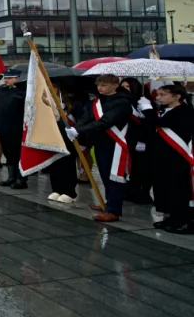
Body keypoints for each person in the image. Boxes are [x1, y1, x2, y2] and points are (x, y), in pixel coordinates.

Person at [65, 74, 133, 222]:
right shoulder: (96, 101)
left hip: (116, 143)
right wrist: (76, 129)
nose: (100, 88)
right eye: (99, 85)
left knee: (115, 176)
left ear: (115, 85)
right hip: (101, 142)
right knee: (104, 175)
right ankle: (108, 204)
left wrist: (80, 131)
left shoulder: (122, 102)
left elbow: (106, 121)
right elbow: (86, 117)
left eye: (104, 85)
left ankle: (114, 210)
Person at [149, 83, 194, 234]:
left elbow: (161, 123)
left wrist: (147, 110)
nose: (159, 97)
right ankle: (171, 216)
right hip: (162, 156)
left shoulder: (184, 111)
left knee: (178, 188)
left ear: (177, 96)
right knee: (165, 186)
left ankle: (182, 219)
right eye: (158, 94)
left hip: (177, 156)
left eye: (163, 95)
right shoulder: (163, 110)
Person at [121, 77, 156, 205]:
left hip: (143, 140)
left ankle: (144, 192)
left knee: (144, 167)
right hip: (128, 138)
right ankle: (131, 189)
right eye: (123, 86)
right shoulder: (123, 101)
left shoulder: (144, 101)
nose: (125, 89)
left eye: (128, 87)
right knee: (131, 166)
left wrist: (146, 110)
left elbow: (150, 124)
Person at [47, 83, 83, 203]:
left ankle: (70, 192)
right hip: (52, 138)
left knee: (67, 165)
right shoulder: (46, 102)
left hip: (68, 139)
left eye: (54, 87)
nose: (51, 89)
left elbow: (82, 119)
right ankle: (57, 189)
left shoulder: (73, 103)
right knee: (54, 164)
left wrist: (66, 112)